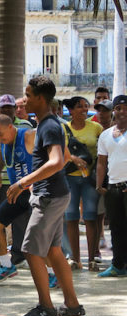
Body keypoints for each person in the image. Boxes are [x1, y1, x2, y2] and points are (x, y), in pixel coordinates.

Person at [7, 76, 85, 316]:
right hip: (54, 194)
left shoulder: (49, 125)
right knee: (53, 250)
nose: (24, 99)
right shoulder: (45, 124)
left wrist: (22, 182)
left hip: (49, 196)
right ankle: (72, 305)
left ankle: (46, 308)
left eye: (28, 95)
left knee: (30, 250)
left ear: (41, 98)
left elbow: (56, 161)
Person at [0, 94, 33, 272]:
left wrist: (33, 180)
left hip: (29, 188)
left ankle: (24, 259)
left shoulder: (27, 131)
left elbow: (47, 156)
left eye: (9, 107)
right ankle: (1, 261)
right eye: (2, 107)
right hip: (7, 187)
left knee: (27, 226)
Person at [0, 116, 37, 284]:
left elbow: (51, 152)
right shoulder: (4, 140)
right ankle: (6, 265)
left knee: (36, 238)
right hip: (16, 193)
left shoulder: (28, 135)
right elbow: (3, 157)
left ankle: (52, 274)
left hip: (33, 192)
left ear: (10, 127)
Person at [62, 96, 103, 271]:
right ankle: (75, 258)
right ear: (70, 110)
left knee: (90, 216)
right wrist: (73, 158)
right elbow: (59, 151)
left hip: (90, 178)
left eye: (86, 106)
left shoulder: (96, 128)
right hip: (69, 177)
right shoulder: (64, 129)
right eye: (80, 107)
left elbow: (103, 153)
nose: (84, 109)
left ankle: (92, 258)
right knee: (71, 216)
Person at [96, 95, 127, 277]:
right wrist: (100, 184)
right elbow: (101, 162)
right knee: (116, 227)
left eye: (125, 108)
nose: (122, 112)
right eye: (118, 108)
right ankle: (117, 265)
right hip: (113, 187)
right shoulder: (105, 135)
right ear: (114, 111)